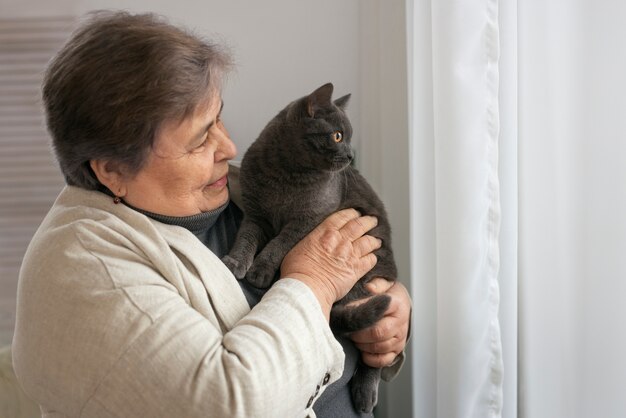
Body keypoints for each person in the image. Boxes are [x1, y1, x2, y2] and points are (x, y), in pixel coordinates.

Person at [12, 10, 411, 418]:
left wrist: (387, 316)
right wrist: (315, 282)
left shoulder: (235, 189)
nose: (229, 148)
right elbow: (229, 403)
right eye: (200, 139)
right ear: (113, 171)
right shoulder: (82, 269)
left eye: (218, 117)